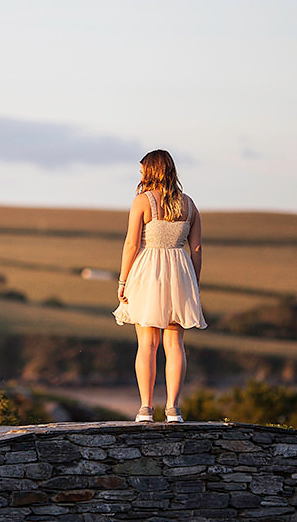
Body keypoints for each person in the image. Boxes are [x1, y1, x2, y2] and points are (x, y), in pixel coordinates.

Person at [113, 149, 206, 423]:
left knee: (147, 344)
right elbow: (197, 248)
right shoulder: (189, 205)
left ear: (151, 171)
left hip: (147, 272)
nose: (140, 175)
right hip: (180, 272)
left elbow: (131, 244)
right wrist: (194, 283)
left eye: (143, 170)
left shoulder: (142, 201)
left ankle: (145, 408)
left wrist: (122, 280)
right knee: (175, 344)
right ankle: (174, 409)